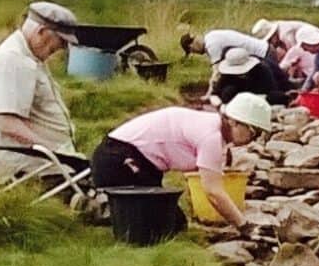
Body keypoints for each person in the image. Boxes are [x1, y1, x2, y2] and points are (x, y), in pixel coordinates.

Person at [90, 94, 277, 229]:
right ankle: (98, 209)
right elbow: (213, 192)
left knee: (174, 223)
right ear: (235, 122)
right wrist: (243, 225)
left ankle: (106, 208)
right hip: (119, 161)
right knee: (160, 226)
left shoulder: (211, 125)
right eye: (255, 132)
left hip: (134, 161)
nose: (254, 139)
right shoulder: (211, 136)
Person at [0, 0, 81, 183]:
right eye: (58, 43)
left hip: (49, 165)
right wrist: (53, 152)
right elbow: (7, 122)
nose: (60, 49)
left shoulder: (31, 56)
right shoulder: (13, 61)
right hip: (32, 170)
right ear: (41, 32)